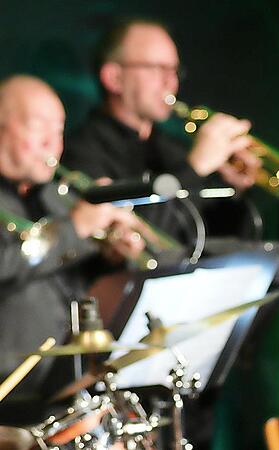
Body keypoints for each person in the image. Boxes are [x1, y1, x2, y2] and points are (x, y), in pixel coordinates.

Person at [0, 75, 145, 422]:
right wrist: (75, 228)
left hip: (70, 385)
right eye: (39, 127)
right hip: (11, 393)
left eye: (60, 130)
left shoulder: (57, 198)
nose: (53, 143)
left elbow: (70, 273)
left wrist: (111, 256)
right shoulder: (68, 214)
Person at [63, 18, 261, 244]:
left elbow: (218, 241)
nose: (171, 82)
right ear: (114, 77)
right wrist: (194, 168)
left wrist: (235, 189)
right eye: (158, 68)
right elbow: (140, 239)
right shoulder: (82, 152)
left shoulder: (172, 150)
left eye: (174, 70)